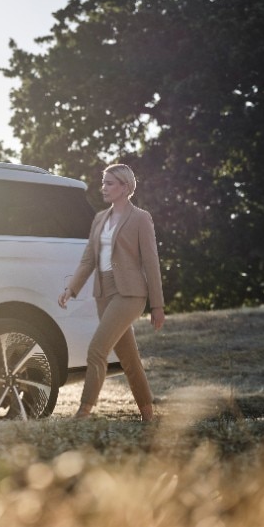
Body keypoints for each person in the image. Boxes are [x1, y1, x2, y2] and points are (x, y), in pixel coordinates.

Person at [57, 163, 165, 421]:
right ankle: (149, 416)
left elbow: (151, 262)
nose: (103, 188)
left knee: (97, 349)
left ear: (125, 187)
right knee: (129, 359)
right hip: (103, 293)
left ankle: (83, 411)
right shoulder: (99, 219)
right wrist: (71, 289)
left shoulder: (140, 218)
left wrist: (157, 305)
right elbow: (88, 260)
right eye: (103, 182)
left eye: (109, 183)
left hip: (130, 294)